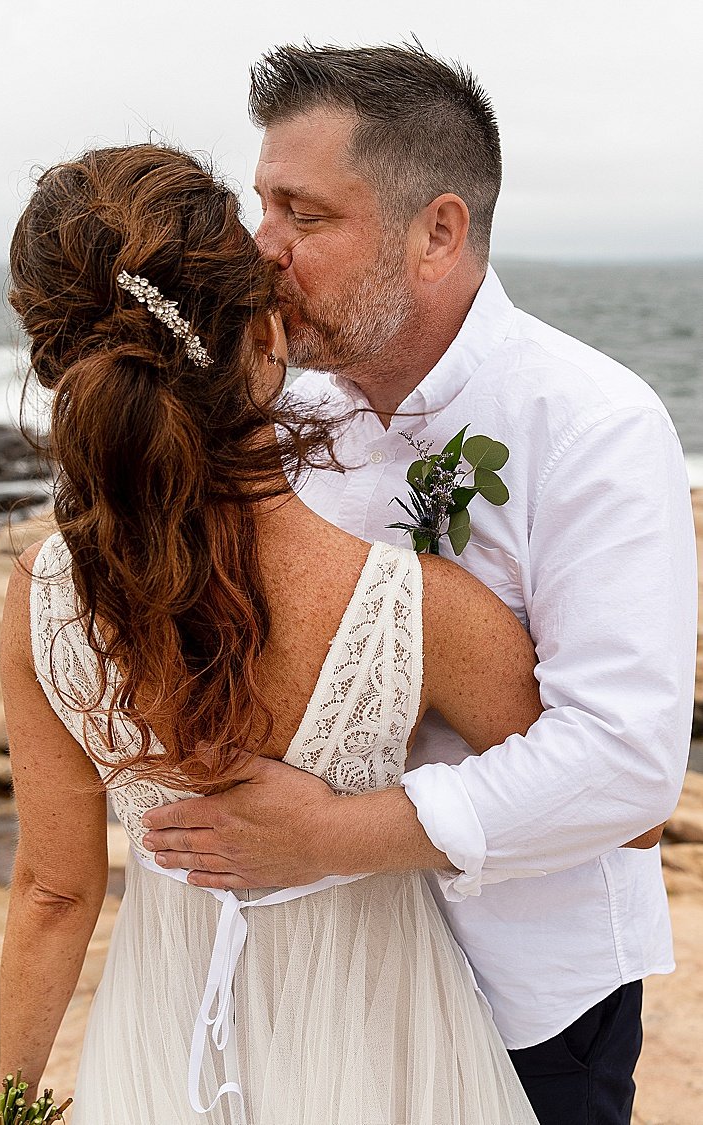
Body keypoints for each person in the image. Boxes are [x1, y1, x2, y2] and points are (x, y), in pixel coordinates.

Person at [138, 44, 694, 1125]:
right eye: (263, 204)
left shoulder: (595, 426)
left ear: (437, 231)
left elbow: (628, 763)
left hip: (527, 997)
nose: (264, 248)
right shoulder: (287, 427)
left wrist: (330, 837)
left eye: (304, 213)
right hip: (326, 983)